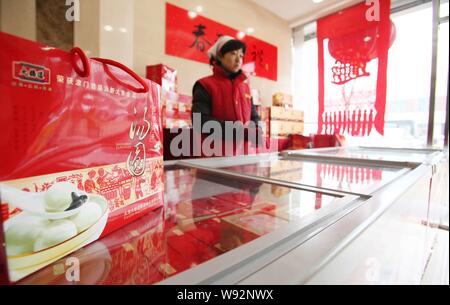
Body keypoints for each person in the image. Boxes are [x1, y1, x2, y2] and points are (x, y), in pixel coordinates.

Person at [192, 35, 264, 156]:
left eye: (241, 56)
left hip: (245, 156)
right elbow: (200, 122)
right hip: (216, 157)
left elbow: (254, 116)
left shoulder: (245, 88)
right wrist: (239, 131)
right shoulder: (204, 85)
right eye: (233, 53)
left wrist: (257, 128)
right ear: (220, 56)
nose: (238, 59)